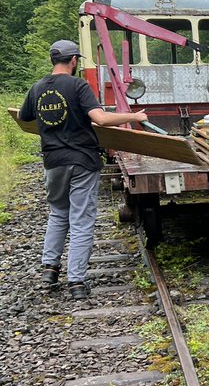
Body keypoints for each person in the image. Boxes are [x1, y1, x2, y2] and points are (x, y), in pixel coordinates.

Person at [21, 39, 148, 301]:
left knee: (58, 213)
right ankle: (76, 281)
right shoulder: (78, 85)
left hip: (53, 161)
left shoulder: (37, 88)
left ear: (52, 60)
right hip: (81, 160)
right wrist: (134, 117)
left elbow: (25, 117)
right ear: (74, 61)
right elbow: (100, 119)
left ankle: (50, 269)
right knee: (81, 220)